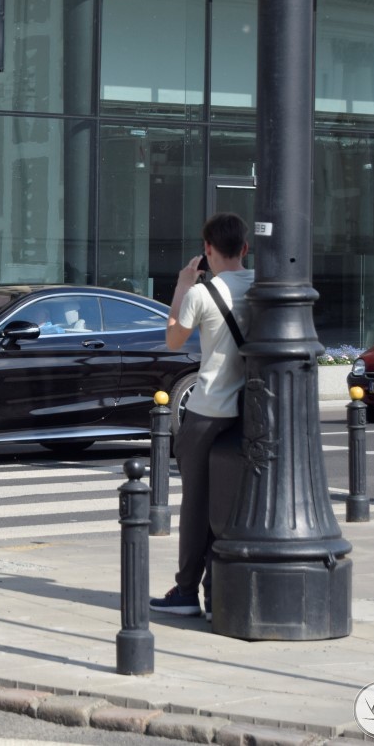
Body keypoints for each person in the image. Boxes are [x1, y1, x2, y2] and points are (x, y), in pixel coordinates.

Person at [149, 212, 254, 622]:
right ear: (245, 248)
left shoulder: (202, 294)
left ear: (207, 250)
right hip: (250, 412)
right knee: (229, 505)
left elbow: (174, 340)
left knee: (196, 504)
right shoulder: (265, 285)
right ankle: (220, 590)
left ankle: (187, 590)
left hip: (209, 409)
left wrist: (182, 285)